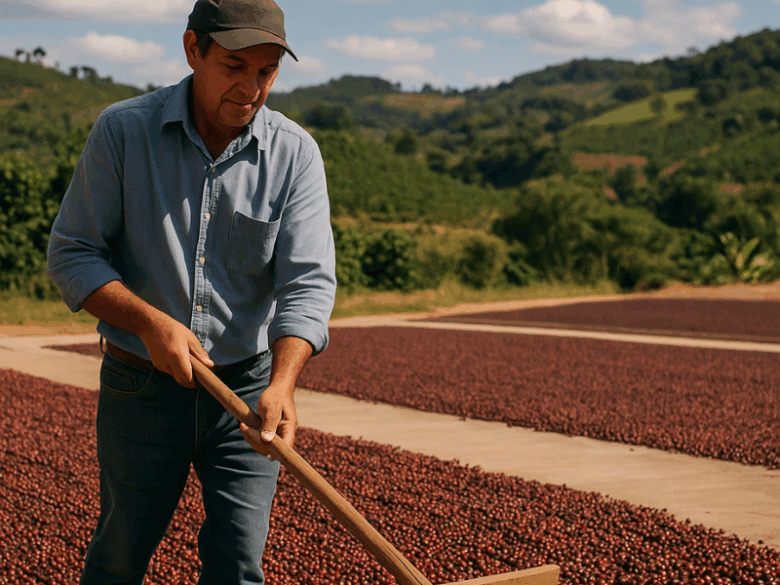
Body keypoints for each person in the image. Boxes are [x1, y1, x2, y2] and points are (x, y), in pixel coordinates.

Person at [46, 0, 336, 583]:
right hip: (140, 387)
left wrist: (282, 384)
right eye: (234, 66)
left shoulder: (294, 153)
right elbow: (73, 252)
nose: (251, 88)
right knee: (120, 557)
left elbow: (307, 281)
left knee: (238, 564)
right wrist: (151, 322)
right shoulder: (124, 132)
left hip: (247, 394)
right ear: (192, 50)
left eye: (266, 71)